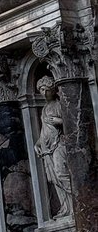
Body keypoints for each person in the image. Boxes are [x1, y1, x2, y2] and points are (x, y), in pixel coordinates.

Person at [35, 75, 73, 218]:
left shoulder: (59, 104)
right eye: (42, 90)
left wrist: (59, 120)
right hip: (46, 148)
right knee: (52, 179)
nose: (44, 93)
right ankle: (66, 208)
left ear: (53, 90)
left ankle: (78, 199)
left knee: (61, 173)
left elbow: (71, 123)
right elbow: (44, 130)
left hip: (59, 144)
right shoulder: (44, 108)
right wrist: (37, 144)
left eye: (47, 90)